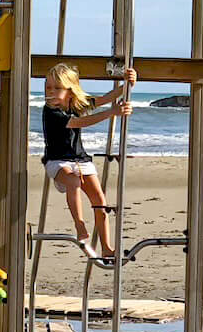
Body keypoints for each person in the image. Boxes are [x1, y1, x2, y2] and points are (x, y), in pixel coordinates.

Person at [42, 63, 136, 261]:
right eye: (47, 87)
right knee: (74, 181)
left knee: (100, 203)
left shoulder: (77, 104)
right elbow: (79, 123)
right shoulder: (50, 112)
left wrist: (129, 83)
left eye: (56, 88)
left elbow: (105, 99)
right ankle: (79, 224)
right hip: (58, 161)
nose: (50, 92)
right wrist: (112, 112)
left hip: (80, 159)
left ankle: (107, 248)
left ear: (70, 90)